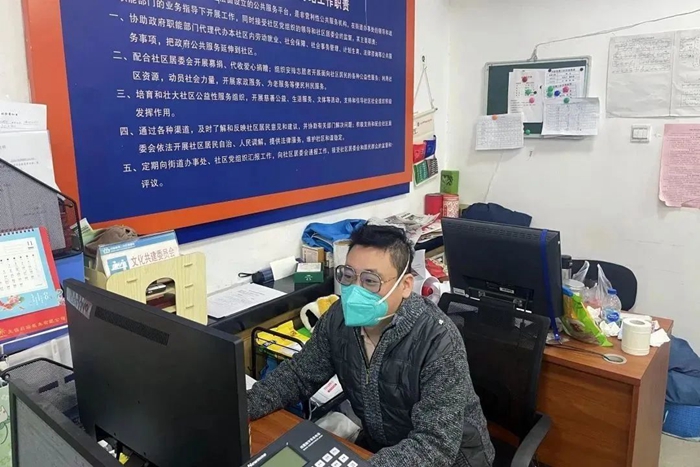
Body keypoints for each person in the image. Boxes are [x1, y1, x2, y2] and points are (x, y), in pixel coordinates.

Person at [247, 224, 494, 467]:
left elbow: (435, 445)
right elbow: (298, 376)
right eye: (348, 276)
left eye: (370, 280)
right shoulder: (338, 319)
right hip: (383, 449)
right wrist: (239, 410)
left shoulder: (437, 340)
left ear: (405, 285)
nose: (355, 291)